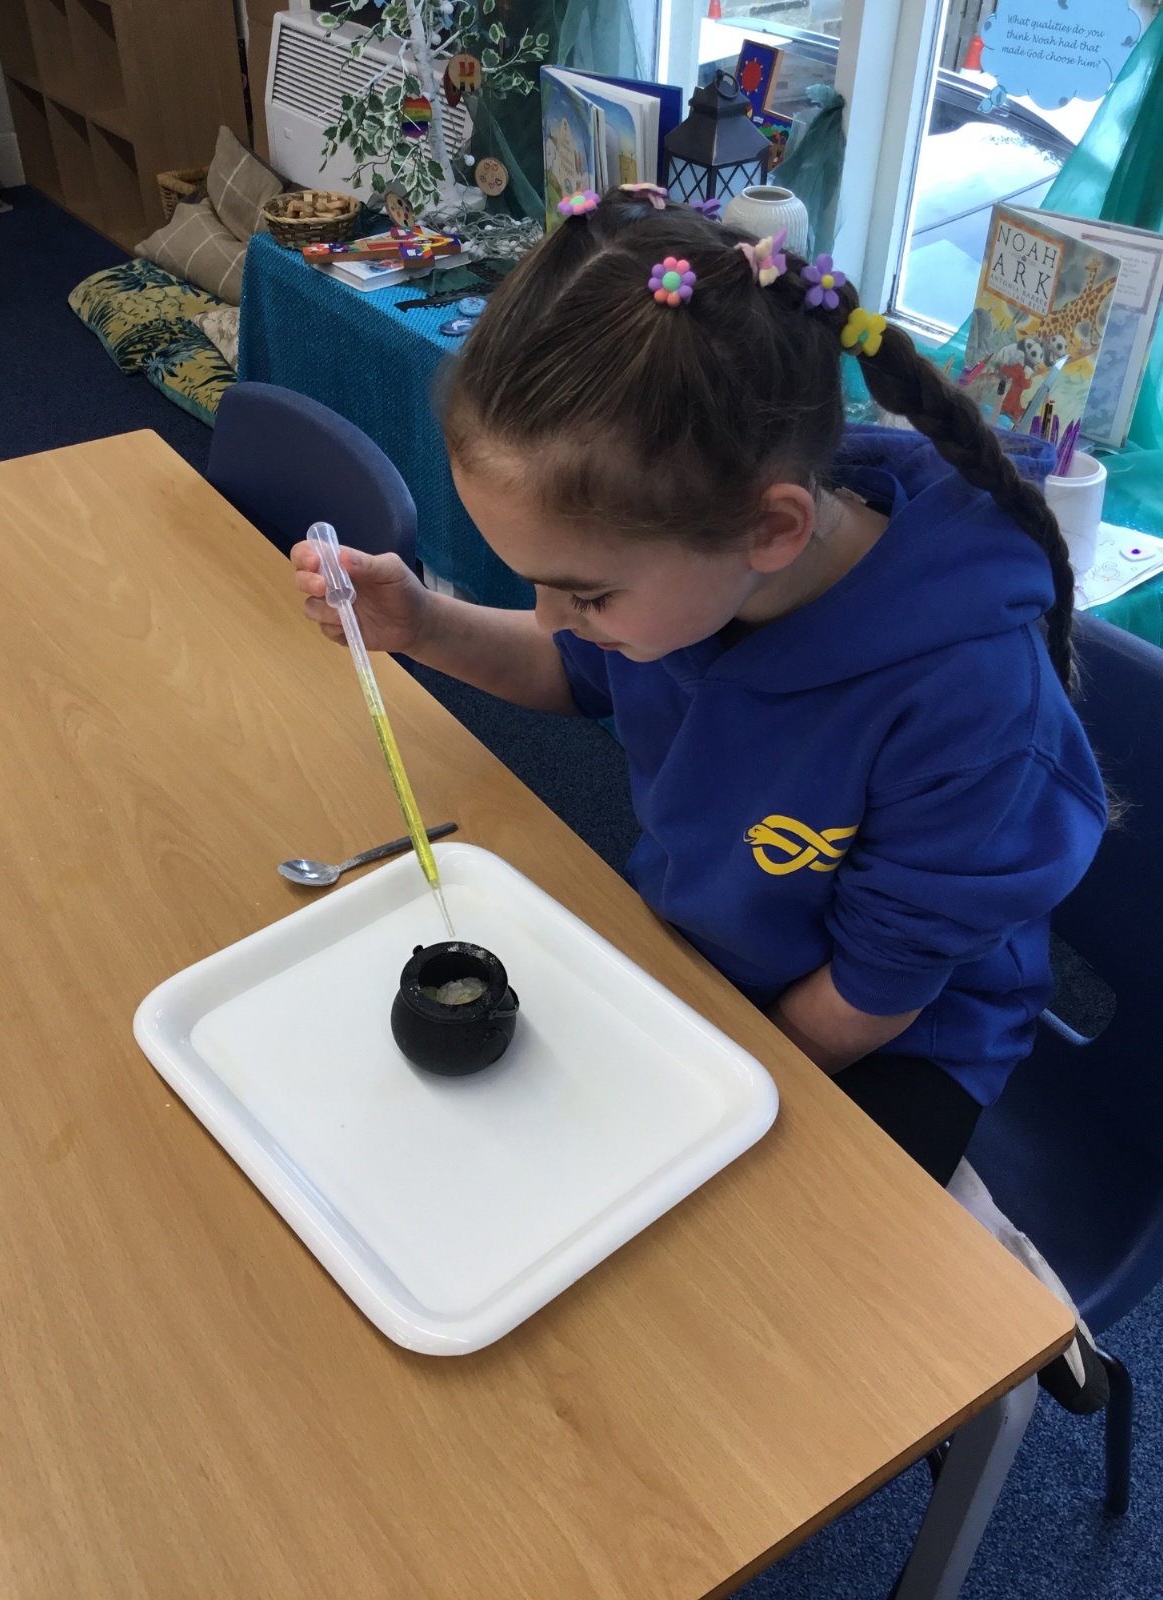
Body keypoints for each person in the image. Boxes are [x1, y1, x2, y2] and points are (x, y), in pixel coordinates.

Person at [293, 189, 1107, 1405]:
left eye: (584, 592)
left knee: (707, 1327)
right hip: (703, 948)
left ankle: (986, 1248)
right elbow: (571, 669)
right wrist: (423, 624)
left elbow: (874, 995)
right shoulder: (685, 577)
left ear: (773, 528)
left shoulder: (965, 703)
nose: (561, 615)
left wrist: (690, 1098)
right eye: (540, 583)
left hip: (896, 1030)